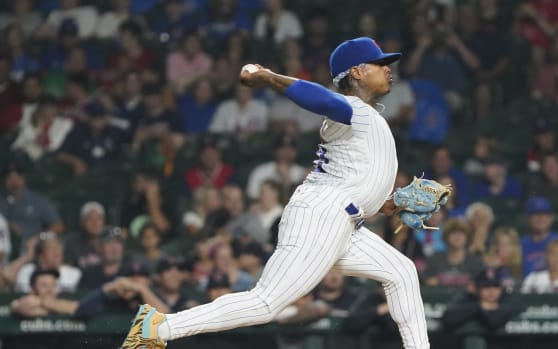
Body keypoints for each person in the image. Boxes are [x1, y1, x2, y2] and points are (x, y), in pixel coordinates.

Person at [121, 37, 430, 349]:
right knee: (266, 303)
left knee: (401, 271)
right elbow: (322, 99)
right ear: (356, 72)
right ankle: (160, 327)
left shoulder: (368, 117)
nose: (389, 70)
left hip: (342, 219)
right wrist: (269, 77)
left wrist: (388, 205)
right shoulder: (352, 108)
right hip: (323, 216)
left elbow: (353, 179)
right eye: (380, 64)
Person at [441, 267, 523, 346]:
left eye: (496, 286)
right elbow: (448, 318)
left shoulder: (507, 299)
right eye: (486, 286)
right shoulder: (469, 298)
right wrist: (479, 306)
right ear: (476, 288)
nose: (491, 291)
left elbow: (493, 321)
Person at [0, 162, 64, 247]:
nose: (14, 182)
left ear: (24, 178)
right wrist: (7, 225)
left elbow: (58, 226)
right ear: (4, 181)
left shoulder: (38, 200)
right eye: (9, 178)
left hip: (32, 247)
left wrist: (38, 238)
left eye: (18, 177)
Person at [424, 219, 484, 289]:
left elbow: (480, 286)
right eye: (453, 233)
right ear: (446, 237)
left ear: (467, 238)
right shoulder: (434, 259)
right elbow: (428, 281)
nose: (457, 236)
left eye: (462, 233)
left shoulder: (475, 261)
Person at [245, 134, 307, 201]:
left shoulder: (303, 173)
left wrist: (286, 180)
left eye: (291, 147)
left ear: (296, 151)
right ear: (275, 150)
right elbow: (252, 197)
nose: (286, 151)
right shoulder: (261, 172)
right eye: (282, 147)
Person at [520, 196, 558, 276]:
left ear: (551, 218)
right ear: (528, 218)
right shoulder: (521, 244)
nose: (540, 218)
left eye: (544, 214)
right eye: (536, 214)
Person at [10, 268, 78, 317]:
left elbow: (76, 309)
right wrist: (59, 310)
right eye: (44, 285)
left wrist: (41, 302)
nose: (50, 290)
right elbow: (22, 307)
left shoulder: (62, 299)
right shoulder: (23, 301)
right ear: (32, 289)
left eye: (53, 285)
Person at [64, 201, 106, 268]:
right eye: (90, 219)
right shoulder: (71, 244)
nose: (95, 223)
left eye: (99, 218)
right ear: (82, 222)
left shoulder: (110, 242)